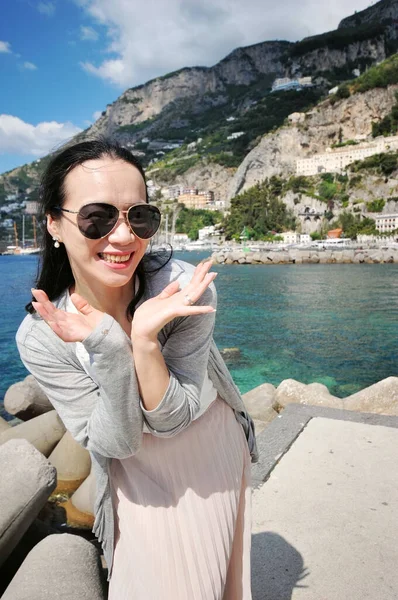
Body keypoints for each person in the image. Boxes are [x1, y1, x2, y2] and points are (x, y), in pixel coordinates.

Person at [16, 138, 258, 600]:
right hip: (134, 476)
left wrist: (145, 342)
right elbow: (117, 442)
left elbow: (174, 418)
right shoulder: (42, 336)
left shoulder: (184, 287)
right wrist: (109, 347)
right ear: (54, 224)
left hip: (211, 449)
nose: (124, 237)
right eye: (97, 217)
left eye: (138, 216)